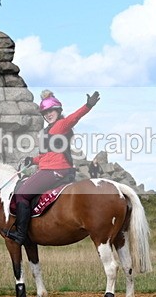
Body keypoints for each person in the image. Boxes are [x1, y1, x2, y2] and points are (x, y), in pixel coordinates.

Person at [7, 89, 101, 245]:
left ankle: (21, 234)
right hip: (48, 168)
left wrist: (88, 106)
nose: (48, 114)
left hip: (55, 170)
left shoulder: (60, 126)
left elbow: (74, 118)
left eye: (51, 111)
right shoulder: (46, 131)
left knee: (22, 194)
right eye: (45, 112)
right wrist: (32, 160)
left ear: (58, 111)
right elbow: (46, 156)